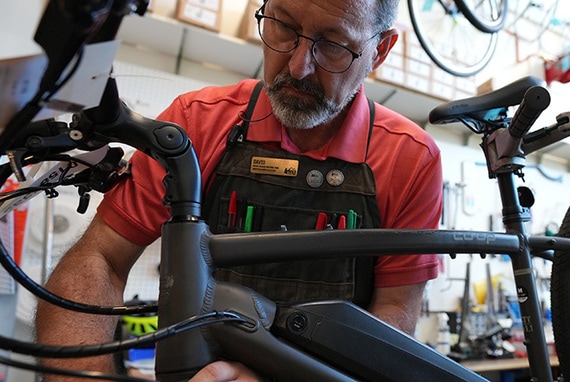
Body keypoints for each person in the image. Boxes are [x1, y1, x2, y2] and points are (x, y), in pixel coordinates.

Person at [35, 0, 443, 380]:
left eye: (334, 45)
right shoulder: (195, 124)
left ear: (380, 51)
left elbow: (393, 314)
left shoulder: (410, 159)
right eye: (283, 26)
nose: (298, 66)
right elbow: (100, 259)